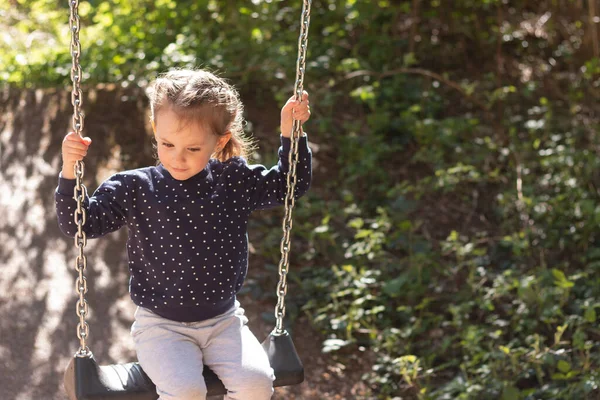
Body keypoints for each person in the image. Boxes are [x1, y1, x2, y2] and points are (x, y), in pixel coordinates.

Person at [55, 68, 312, 400]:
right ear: (155, 130)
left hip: (224, 321)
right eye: (167, 143)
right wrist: (68, 172)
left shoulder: (230, 180)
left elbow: (288, 187)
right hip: (161, 326)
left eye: (192, 149)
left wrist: (291, 133)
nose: (177, 157)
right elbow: (80, 223)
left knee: (257, 385)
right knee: (187, 391)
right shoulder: (136, 187)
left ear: (219, 141)